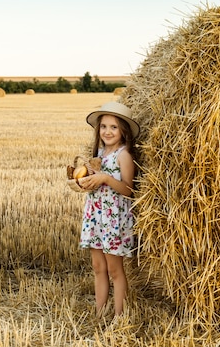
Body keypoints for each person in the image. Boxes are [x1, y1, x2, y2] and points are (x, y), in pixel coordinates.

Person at [78, 101, 140, 318]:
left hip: (114, 218)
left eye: (113, 127)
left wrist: (105, 178)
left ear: (123, 131)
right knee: (97, 267)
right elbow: (94, 182)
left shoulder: (124, 155)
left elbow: (128, 189)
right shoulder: (99, 154)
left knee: (115, 270)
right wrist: (86, 180)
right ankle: (99, 313)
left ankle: (118, 316)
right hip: (95, 216)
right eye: (103, 127)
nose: (107, 131)